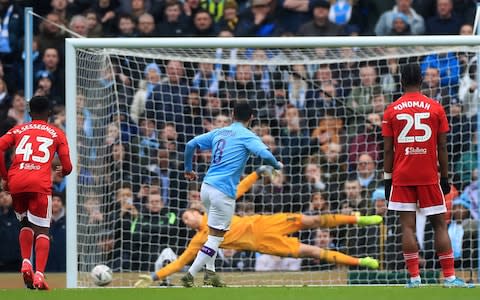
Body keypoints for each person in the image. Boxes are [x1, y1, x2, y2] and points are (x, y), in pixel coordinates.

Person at [134, 167, 382, 288]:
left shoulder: (215, 209)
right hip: (264, 244)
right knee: (312, 251)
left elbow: (239, 189)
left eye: (187, 215)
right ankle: (362, 262)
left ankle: (359, 219)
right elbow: (179, 263)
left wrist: (256, 173)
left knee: (313, 220)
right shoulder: (200, 240)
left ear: (196, 211)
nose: (187, 219)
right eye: (185, 221)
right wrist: (155, 276)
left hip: (266, 222)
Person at [382, 64, 471, 288]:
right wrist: (445, 177)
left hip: (402, 175)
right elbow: (442, 146)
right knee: (440, 225)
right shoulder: (436, 108)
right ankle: (450, 277)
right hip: (429, 174)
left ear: (401, 81)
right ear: (421, 81)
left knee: (407, 228)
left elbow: (387, 150)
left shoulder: (391, 110)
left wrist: (386, 178)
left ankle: (414, 278)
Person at [181, 101, 282, 287]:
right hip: (223, 191)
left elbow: (190, 144)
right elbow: (266, 155)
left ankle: (210, 275)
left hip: (206, 187)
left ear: (232, 114)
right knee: (216, 238)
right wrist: (276, 165)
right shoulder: (247, 135)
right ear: (251, 118)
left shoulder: (220, 132)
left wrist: (188, 169)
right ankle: (190, 274)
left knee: (212, 234)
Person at [0, 96, 72, 290]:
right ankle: (39, 274)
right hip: (38, 183)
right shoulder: (57, 133)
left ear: (30, 113)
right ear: (49, 113)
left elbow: (0, 146)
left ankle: (25, 261)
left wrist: (5, 177)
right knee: (42, 230)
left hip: (16, 181)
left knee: (25, 223)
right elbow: (67, 167)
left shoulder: (18, 129)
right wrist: (61, 171)